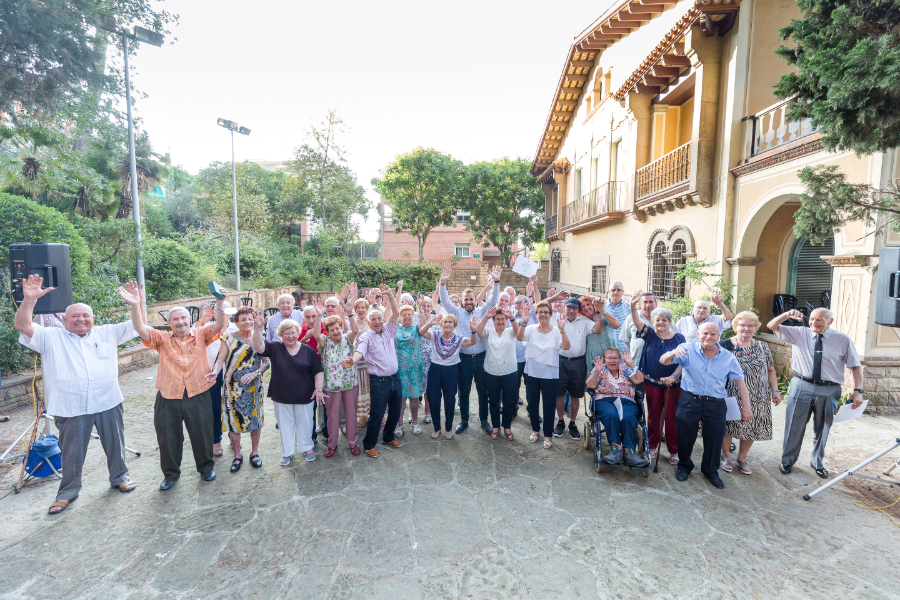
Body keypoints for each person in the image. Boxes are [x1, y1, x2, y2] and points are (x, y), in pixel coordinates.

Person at [15, 275, 139, 514]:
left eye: (85, 315)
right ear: (64, 319)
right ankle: (67, 492)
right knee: (72, 453)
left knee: (116, 444)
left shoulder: (107, 333)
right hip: (69, 406)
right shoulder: (50, 337)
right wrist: (29, 300)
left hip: (107, 400)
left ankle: (120, 477)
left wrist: (136, 304)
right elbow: (22, 326)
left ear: (93, 318)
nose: (81, 319)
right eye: (75, 315)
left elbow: (136, 326)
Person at [123, 282, 229, 491]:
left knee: (202, 433)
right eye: (175, 319)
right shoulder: (161, 339)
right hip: (168, 395)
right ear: (169, 322)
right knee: (168, 437)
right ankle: (171, 474)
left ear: (189, 320)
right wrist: (136, 305)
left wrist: (220, 301)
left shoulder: (201, 334)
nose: (180, 322)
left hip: (198, 393)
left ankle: (206, 468)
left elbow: (219, 325)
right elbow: (140, 328)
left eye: (183, 318)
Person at [768, 307, 862, 478]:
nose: (814, 323)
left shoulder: (843, 340)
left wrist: (858, 391)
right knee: (794, 425)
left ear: (830, 321)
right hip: (801, 384)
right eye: (811, 319)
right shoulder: (799, 333)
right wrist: (787, 315)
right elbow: (772, 325)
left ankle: (817, 462)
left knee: (823, 427)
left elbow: (856, 367)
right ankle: (787, 461)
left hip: (829, 388)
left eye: (819, 320)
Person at [661, 323, 751, 489]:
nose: (708, 337)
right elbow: (664, 361)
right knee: (686, 436)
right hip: (690, 399)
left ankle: (710, 471)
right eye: (705, 333)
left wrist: (746, 407)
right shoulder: (686, 349)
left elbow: (740, 382)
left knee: (715, 438)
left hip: (716, 403)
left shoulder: (728, 357)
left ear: (718, 336)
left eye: (713, 334)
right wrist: (673, 352)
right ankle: (684, 466)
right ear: (697, 334)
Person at [252, 313, 323, 464]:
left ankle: (307, 448)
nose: (290, 336)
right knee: (284, 425)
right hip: (282, 395)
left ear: (298, 333)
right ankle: (287, 452)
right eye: (286, 333)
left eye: (293, 333)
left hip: (305, 396)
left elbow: (318, 371)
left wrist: (318, 388)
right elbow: (258, 347)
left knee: (306, 423)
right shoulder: (275, 347)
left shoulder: (307, 350)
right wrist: (258, 328)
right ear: (280, 335)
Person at [438, 266, 501, 435]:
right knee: (464, 391)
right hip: (463, 359)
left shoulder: (482, 311)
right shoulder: (456, 312)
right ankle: (464, 419)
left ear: (475, 300)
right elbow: (444, 300)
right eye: (466, 299)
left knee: (483, 391)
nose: (468, 302)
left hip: (481, 358)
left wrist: (496, 281)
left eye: (471, 299)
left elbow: (494, 299)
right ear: (463, 301)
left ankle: (483, 420)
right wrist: (443, 282)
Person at [205, 306, 269, 472]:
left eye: (250, 319)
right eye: (243, 319)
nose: (248, 322)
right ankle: (237, 455)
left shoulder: (259, 337)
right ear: (236, 322)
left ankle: (255, 453)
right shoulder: (228, 339)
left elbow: (267, 362)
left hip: (254, 388)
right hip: (232, 388)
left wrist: (256, 373)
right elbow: (220, 360)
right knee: (234, 422)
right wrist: (214, 372)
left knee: (255, 421)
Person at [720, 311, 782, 475]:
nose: (746, 328)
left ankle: (742, 458)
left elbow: (771, 370)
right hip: (731, 392)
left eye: (750, 325)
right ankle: (726, 455)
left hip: (759, 394)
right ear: (735, 327)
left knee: (753, 426)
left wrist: (775, 390)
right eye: (742, 325)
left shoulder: (763, 346)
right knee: (727, 425)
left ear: (756, 328)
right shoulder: (725, 345)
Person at [628, 291, 685, 464]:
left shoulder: (679, 338)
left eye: (664, 320)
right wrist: (632, 307)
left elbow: (683, 362)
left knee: (672, 416)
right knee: (653, 414)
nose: (661, 323)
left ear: (669, 322)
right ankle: (652, 446)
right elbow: (637, 321)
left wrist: (674, 376)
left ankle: (674, 450)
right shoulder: (649, 335)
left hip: (673, 384)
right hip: (652, 382)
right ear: (652, 322)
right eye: (657, 320)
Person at [348, 284, 404, 458]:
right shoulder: (365, 337)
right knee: (377, 414)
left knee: (395, 410)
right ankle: (369, 444)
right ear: (369, 322)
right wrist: (353, 360)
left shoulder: (388, 330)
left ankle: (388, 437)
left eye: (380, 318)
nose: (378, 321)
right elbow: (360, 352)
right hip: (379, 381)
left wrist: (390, 296)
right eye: (374, 319)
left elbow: (395, 313)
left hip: (395, 378)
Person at [517, 300, 570, 449]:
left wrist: (562, 330)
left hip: (550, 374)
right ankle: (535, 430)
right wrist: (523, 323)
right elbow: (519, 338)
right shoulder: (530, 328)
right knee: (532, 404)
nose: (543, 314)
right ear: (536, 314)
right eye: (540, 312)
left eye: (546, 312)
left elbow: (566, 346)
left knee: (548, 405)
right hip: (532, 372)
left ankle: (548, 434)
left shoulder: (556, 331)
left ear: (550, 314)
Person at [586, 347, 649, 468]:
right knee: (611, 415)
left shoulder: (625, 368)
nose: (612, 361)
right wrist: (597, 372)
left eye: (615, 358)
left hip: (627, 399)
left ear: (620, 359)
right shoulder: (600, 369)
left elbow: (639, 380)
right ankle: (616, 450)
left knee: (628, 417)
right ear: (605, 359)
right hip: (604, 399)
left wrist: (631, 364)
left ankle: (629, 452)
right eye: (609, 358)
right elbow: (590, 385)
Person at [310, 307, 361, 458]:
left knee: (351, 413)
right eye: (332, 330)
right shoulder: (324, 341)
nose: (336, 332)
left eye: (337, 328)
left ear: (341, 327)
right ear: (328, 332)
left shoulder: (348, 338)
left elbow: (355, 329)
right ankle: (332, 444)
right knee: (332, 414)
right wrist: (319, 316)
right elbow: (315, 334)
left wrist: (350, 312)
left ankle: (353, 442)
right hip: (331, 386)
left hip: (350, 383)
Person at [420, 313, 478, 439]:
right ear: (441, 324)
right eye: (445, 322)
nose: (447, 324)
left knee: (450, 400)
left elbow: (472, 342)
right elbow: (422, 332)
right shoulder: (435, 335)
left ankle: (448, 428)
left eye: (450, 322)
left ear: (454, 325)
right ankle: (436, 427)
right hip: (435, 369)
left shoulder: (459, 338)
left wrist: (473, 330)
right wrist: (430, 323)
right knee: (433, 399)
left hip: (451, 371)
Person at [554, 297, 603, 440]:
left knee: (576, 395)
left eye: (574, 308)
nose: (571, 311)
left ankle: (573, 424)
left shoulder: (584, 322)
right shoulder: (557, 318)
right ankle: (561, 421)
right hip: (560, 361)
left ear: (578, 310)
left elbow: (598, 329)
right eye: (569, 307)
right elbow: (539, 307)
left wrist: (599, 312)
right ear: (565, 307)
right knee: (559, 394)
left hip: (578, 363)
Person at [197, 301, 236, 457]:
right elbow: (191, 337)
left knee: (232, 405)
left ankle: (234, 437)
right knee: (213, 407)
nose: (222, 314)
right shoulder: (207, 328)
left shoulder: (236, 328)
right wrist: (202, 321)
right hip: (211, 372)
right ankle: (216, 440)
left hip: (232, 372)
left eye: (225, 310)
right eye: (219, 311)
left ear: (230, 313)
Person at [476, 306, 520, 440]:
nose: (500, 322)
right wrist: (486, 316)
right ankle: (496, 426)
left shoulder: (510, 332)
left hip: (510, 372)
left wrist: (512, 317)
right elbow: (478, 331)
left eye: (502, 319)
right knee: (493, 401)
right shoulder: (488, 332)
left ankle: (507, 426)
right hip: (491, 372)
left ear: (506, 320)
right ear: (493, 320)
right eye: (497, 319)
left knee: (508, 401)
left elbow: (519, 333)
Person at [394, 303, 425, 436]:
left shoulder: (417, 328)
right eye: (404, 315)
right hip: (399, 370)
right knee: (400, 398)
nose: (407, 317)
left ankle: (415, 422)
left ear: (414, 316)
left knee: (414, 398)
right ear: (400, 317)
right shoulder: (395, 328)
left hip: (414, 369)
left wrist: (421, 310)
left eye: (409, 315)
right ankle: (399, 423)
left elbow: (424, 326)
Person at [581, 295, 621, 373]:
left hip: (612, 354)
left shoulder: (604, 315)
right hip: (595, 357)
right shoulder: (582, 321)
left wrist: (600, 310)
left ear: (593, 305)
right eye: (583, 306)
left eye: (588, 304)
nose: (586, 308)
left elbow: (617, 325)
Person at [352, 297, 372, 429]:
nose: (360, 310)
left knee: (372, 388)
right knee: (361, 388)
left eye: (363, 307)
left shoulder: (371, 322)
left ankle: (378, 414)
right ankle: (362, 415)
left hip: (370, 360)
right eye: (358, 307)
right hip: (358, 361)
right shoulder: (354, 322)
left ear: (366, 309)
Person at [619, 292, 657, 360]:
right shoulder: (631, 318)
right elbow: (626, 339)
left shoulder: (663, 319)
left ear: (656, 304)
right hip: (637, 362)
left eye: (651, 302)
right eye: (645, 302)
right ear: (641, 304)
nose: (648, 305)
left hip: (657, 362)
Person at [604, 281, 630, 351]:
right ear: (609, 291)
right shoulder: (602, 307)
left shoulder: (628, 307)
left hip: (625, 349)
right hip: (608, 349)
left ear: (623, 292)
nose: (616, 292)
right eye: (613, 290)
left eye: (618, 290)